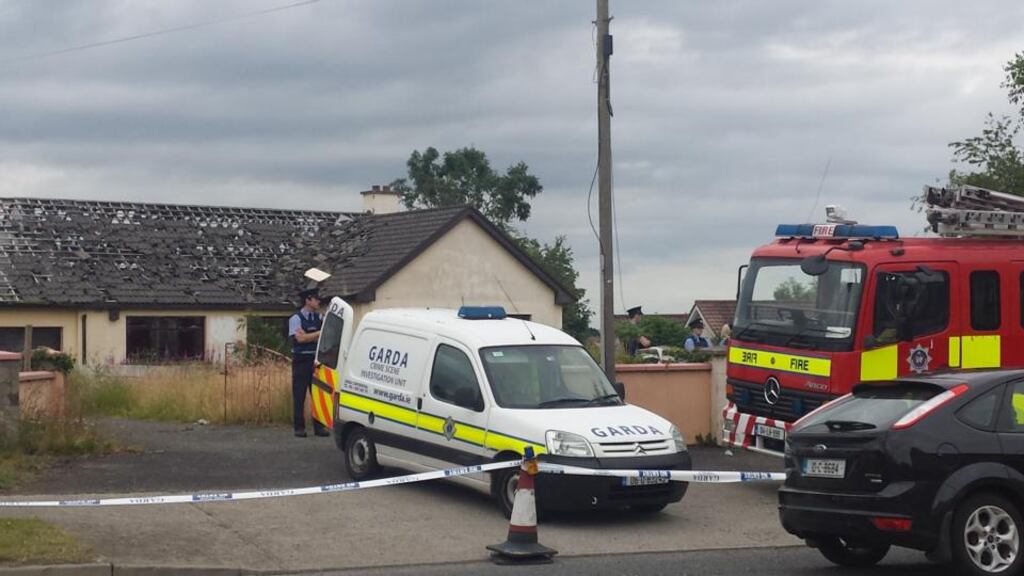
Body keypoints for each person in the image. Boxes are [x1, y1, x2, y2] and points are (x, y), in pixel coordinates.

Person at [289, 287, 327, 438]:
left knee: (318, 395)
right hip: (301, 361)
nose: (319, 301)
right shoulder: (296, 319)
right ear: (308, 300)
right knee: (299, 395)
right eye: (316, 299)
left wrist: (309, 336)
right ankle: (299, 428)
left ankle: (319, 427)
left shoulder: (320, 318)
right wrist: (317, 334)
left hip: (316, 361)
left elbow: (325, 336)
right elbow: (300, 339)